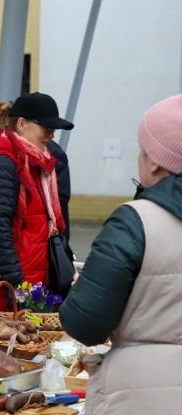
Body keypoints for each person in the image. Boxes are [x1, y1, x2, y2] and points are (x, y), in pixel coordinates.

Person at [59, 95, 182, 413]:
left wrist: (85, 289)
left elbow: (84, 323)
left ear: (154, 161)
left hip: (143, 396)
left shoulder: (136, 220)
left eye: (141, 149)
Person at [0, 92, 74, 317]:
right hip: (7, 288)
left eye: (53, 130)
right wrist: (17, 287)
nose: (51, 135)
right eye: (46, 128)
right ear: (21, 124)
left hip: (29, 283)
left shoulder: (35, 161)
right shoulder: (4, 162)